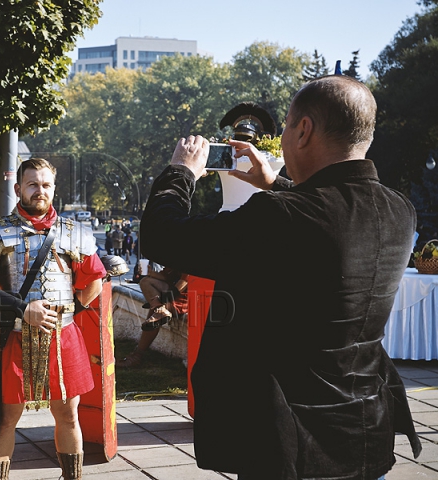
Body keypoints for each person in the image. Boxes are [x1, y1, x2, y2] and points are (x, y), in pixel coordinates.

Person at [140, 75, 421, 479]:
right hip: (366, 427)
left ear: (304, 130)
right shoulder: (399, 210)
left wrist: (180, 171)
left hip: (292, 440)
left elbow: (162, 237)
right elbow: (334, 220)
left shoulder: (280, 218)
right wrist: (276, 184)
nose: (285, 136)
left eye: (288, 125)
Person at [0, 158, 106, 480]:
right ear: (19, 188)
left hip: (62, 336)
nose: (40, 191)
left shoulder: (74, 233)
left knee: (68, 415)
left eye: (46, 185)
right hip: (12, 336)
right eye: (33, 184)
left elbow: (95, 276)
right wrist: (22, 309)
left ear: (54, 188)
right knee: (6, 418)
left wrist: (71, 310)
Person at [116, 263, 188, 368]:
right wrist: (150, 273)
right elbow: (167, 276)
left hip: (186, 298)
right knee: (146, 282)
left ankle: (137, 356)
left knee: (154, 315)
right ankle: (160, 309)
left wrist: (159, 301)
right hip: (173, 294)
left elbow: (180, 286)